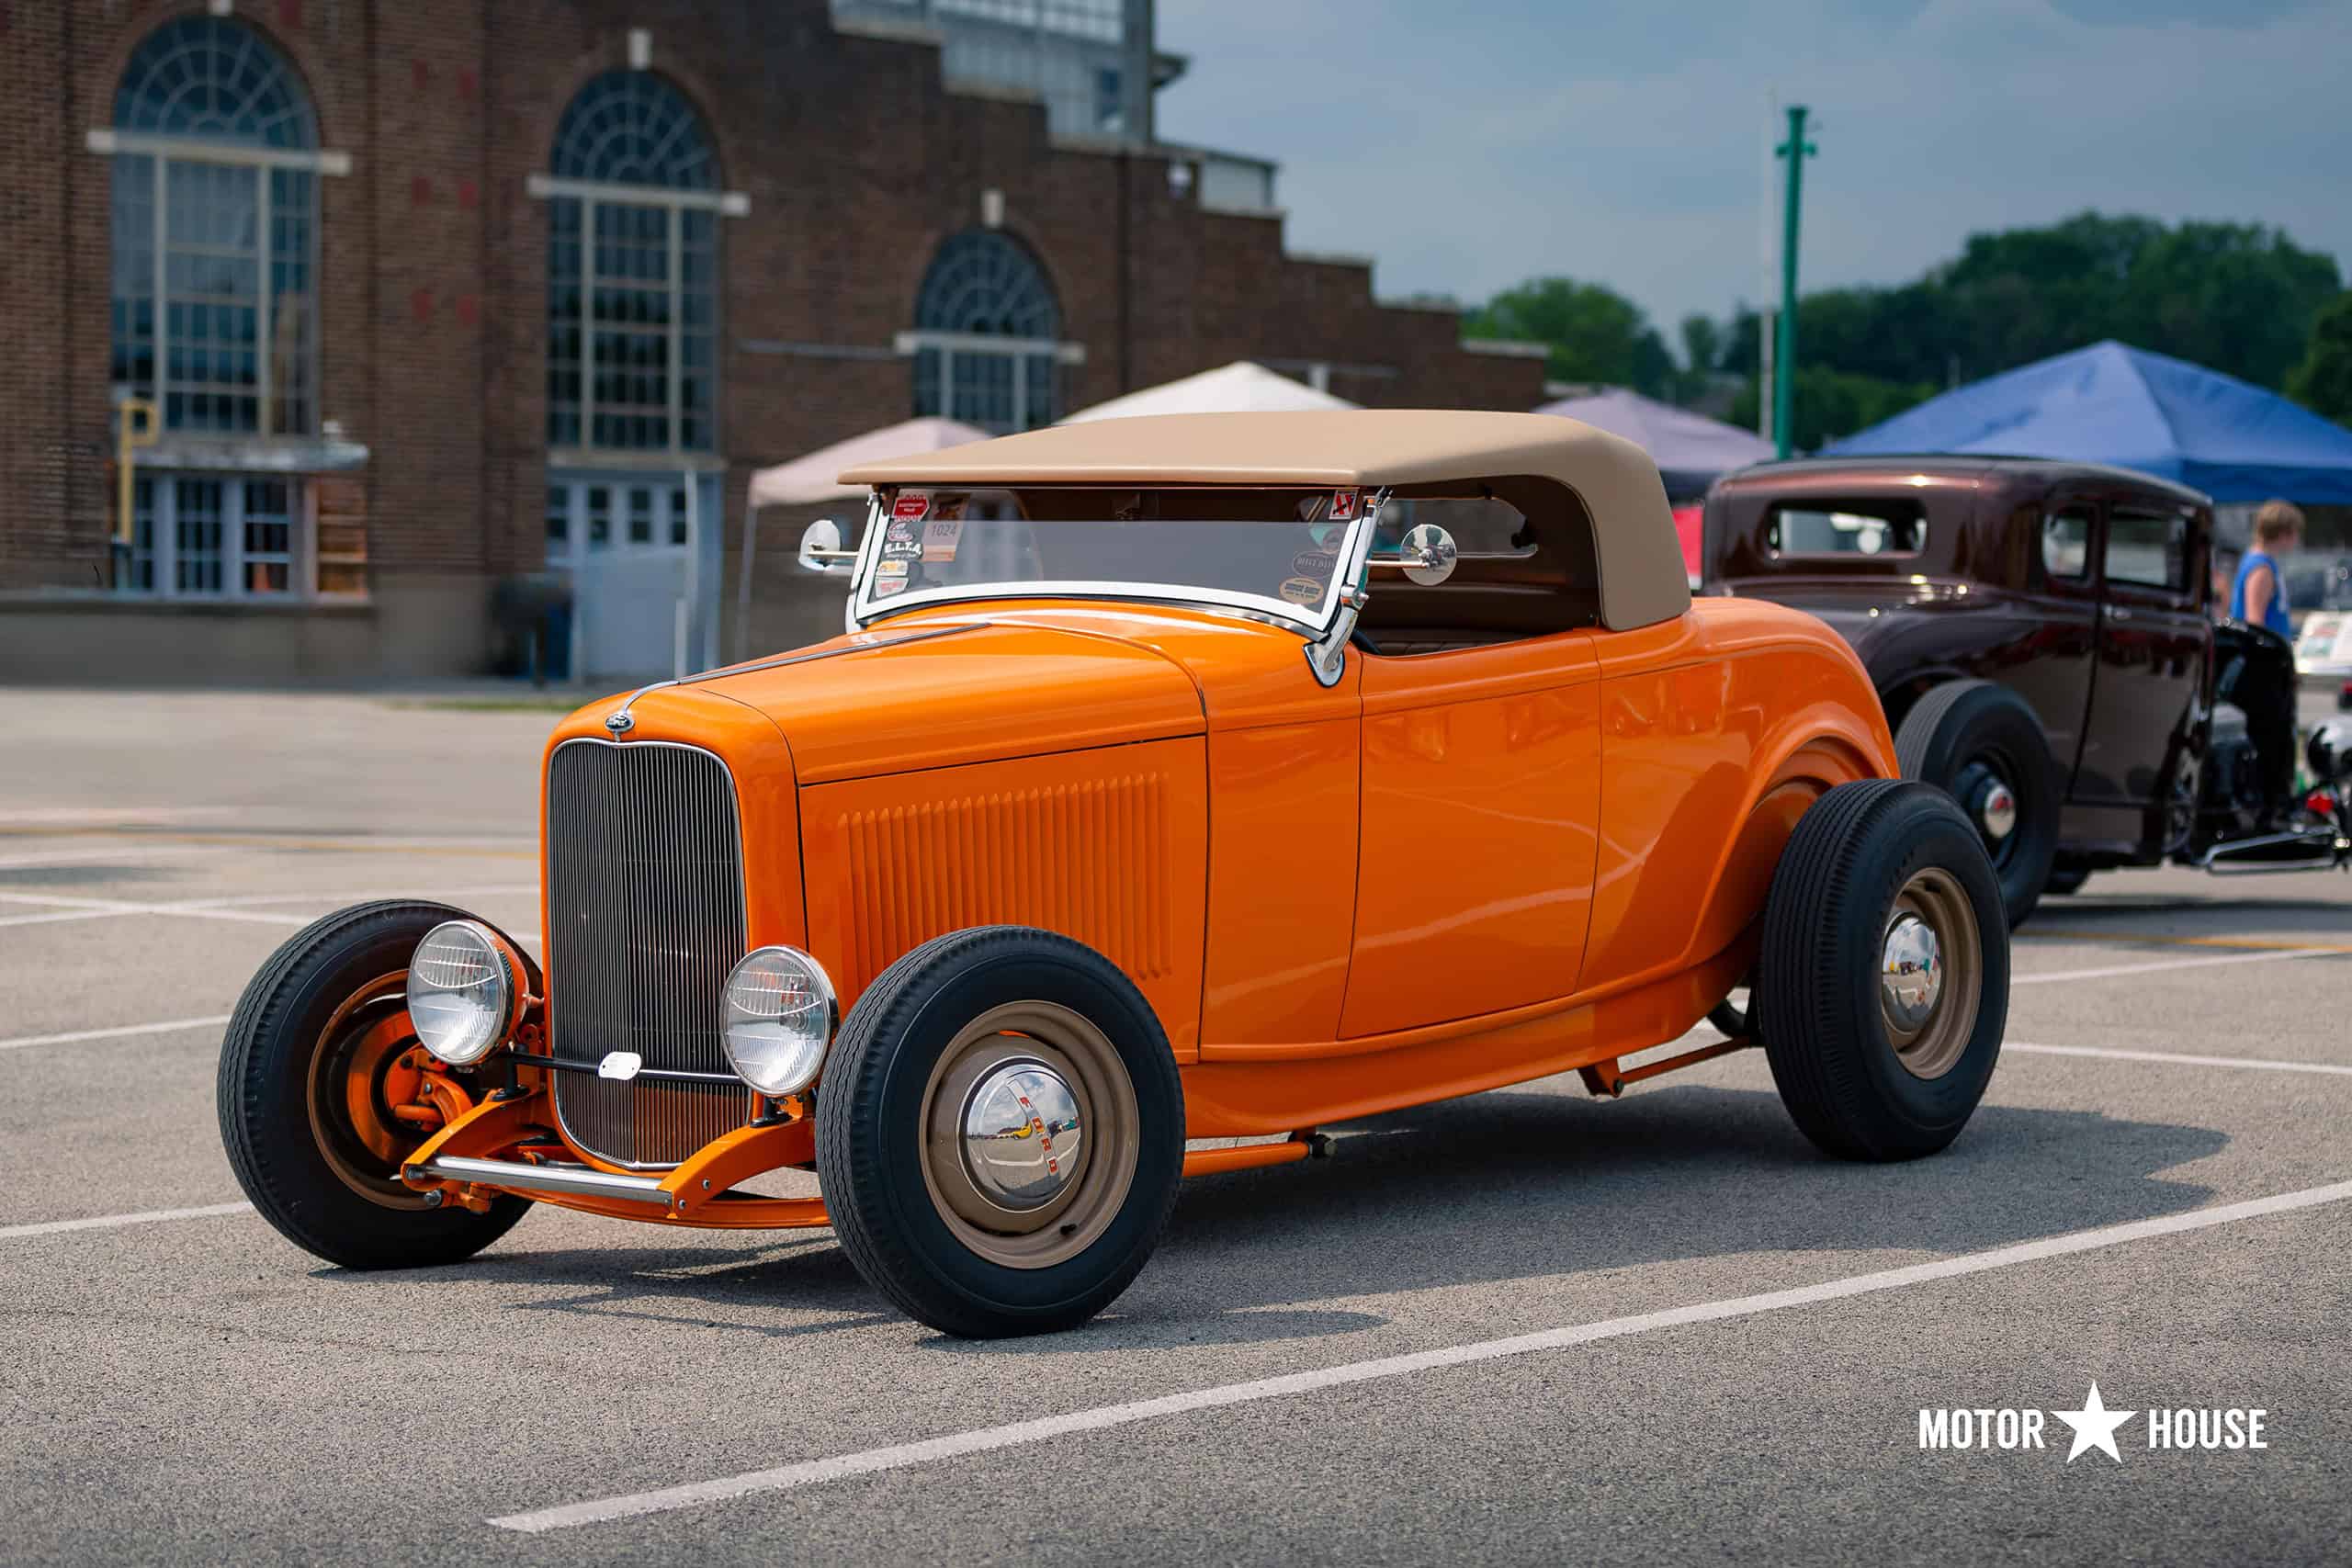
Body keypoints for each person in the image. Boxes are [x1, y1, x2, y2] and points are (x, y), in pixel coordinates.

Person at [2229, 500, 2304, 637]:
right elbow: (2255, 623)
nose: (2297, 538)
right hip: (2265, 656)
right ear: (2283, 533)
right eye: (2295, 532)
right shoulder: (2261, 569)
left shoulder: (2263, 562)